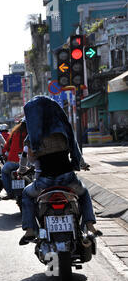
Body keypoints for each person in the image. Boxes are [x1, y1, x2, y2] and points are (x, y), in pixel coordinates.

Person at [18, 96, 102, 246]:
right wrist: (81, 164)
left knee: (26, 194)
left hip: (44, 182)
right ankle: (90, 225)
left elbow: (30, 160)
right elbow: (75, 151)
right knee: (83, 193)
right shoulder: (63, 129)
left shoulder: (32, 137)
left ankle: (30, 230)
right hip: (68, 179)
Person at [1, 119, 28, 200]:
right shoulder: (31, 133)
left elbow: (6, 147)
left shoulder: (14, 133)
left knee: (4, 172)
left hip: (12, 162)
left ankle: (9, 193)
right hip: (27, 163)